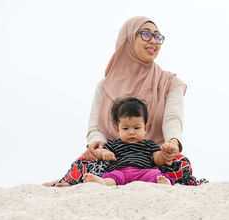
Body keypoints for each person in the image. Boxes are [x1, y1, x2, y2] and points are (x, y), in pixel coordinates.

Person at [43, 16, 206, 187]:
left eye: (157, 37)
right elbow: (95, 126)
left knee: (181, 164)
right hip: (113, 159)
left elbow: (173, 118)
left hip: (154, 160)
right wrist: (96, 144)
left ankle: (158, 180)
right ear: (127, 39)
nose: (153, 41)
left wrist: (172, 142)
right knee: (84, 162)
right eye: (145, 34)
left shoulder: (170, 82)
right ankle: (78, 181)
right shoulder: (105, 85)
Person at [82, 97, 175, 186]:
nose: (131, 132)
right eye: (125, 128)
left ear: (145, 128)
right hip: (121, 171)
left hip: (143, 171)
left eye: (137, 128)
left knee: (155, 173)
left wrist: (164, 154)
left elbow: (157, 159)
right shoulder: (114, 144)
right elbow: (97, 153)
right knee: (112, 177)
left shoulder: (149, 144)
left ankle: (161, 182)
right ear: (117, 129)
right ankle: (104, 183)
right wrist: (103, 153)